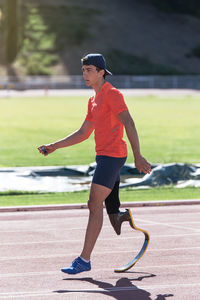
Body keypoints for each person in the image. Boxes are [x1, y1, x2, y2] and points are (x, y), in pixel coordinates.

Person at [38, 53, 151, 275]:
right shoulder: (93, 100)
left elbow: (129, 122)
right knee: (110, 216)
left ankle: (84, 260)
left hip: (113, 157)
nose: (85, 75)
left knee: (93, 204)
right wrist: (54, 146)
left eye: (90, 70)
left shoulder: (112, 94)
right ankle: (120, 215)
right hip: (103, 156)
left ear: (101, 72)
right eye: (83, 70)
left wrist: (138, 156)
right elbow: (83, 132)